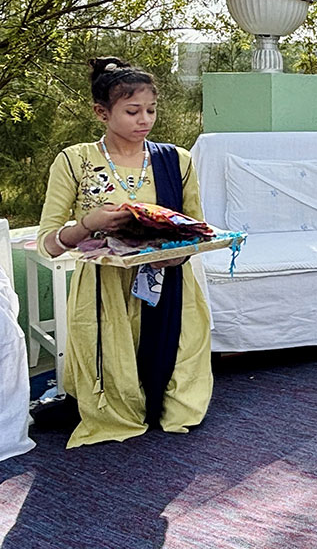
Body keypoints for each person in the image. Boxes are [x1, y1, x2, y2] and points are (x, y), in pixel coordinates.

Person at [36, 57, 212, 447]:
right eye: (132, 111)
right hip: (105, 290)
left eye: (151, 110)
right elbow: (49, 241)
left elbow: (197, 228)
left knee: (179, 387)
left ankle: (169, 409)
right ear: (102, 112)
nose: (144, 119)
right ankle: (116, 411)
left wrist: (177, 254)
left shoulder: (175, 160)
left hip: (168, 282)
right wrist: (89, 225)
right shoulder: (75, 160)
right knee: (114, 375)